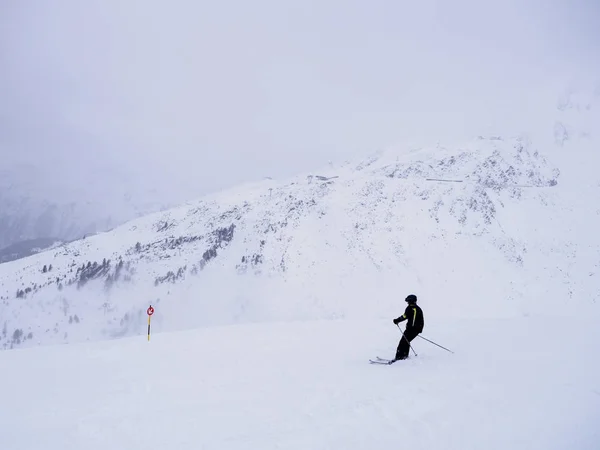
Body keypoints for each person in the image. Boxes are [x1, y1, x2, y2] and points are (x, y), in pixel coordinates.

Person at [393, 294, 424, 360]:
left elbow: (415, 321)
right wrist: (397, 320)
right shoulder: (409, 308)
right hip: (410, 329)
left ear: (412, 301)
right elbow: (405, 316)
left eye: (409, 301)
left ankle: (400, 357)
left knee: (403, 342)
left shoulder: (416, 309)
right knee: (405, 341)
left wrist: (416, 330)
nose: (408, 303)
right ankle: (403, 356)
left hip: (414, 329)